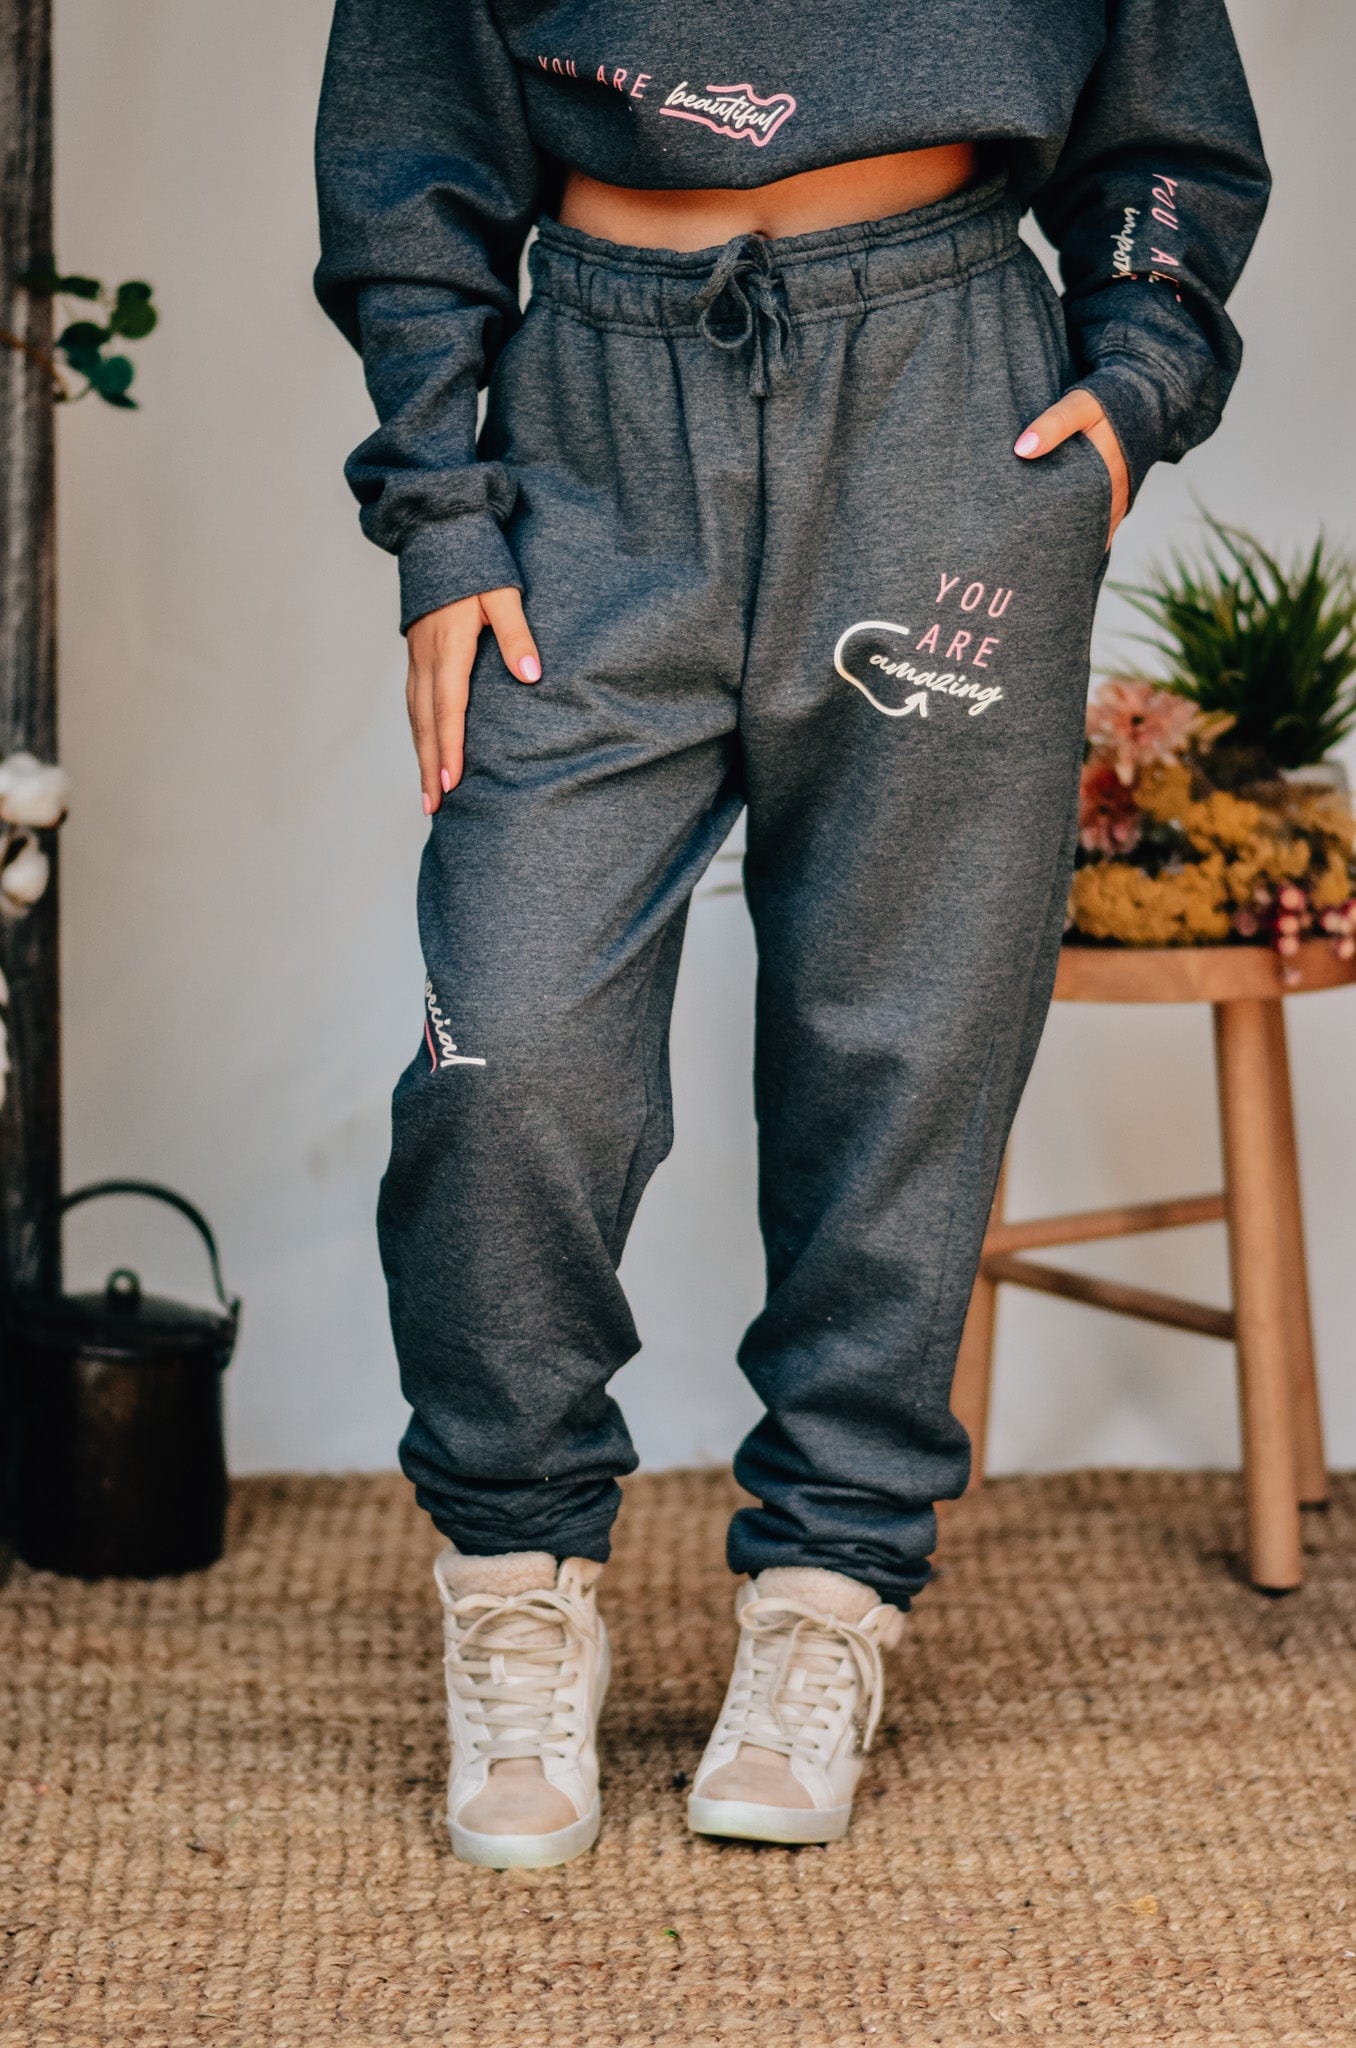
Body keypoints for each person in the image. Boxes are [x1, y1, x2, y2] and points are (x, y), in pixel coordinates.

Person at [314, 1, 1269, 1868]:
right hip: (591, 428)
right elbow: (409, 137)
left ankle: (830, 1591)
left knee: (903, 1044)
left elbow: (1172, 124)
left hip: (943, 404)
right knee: (509, 1046)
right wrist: (440, 510)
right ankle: (514, 1576)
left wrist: (1137, 382)